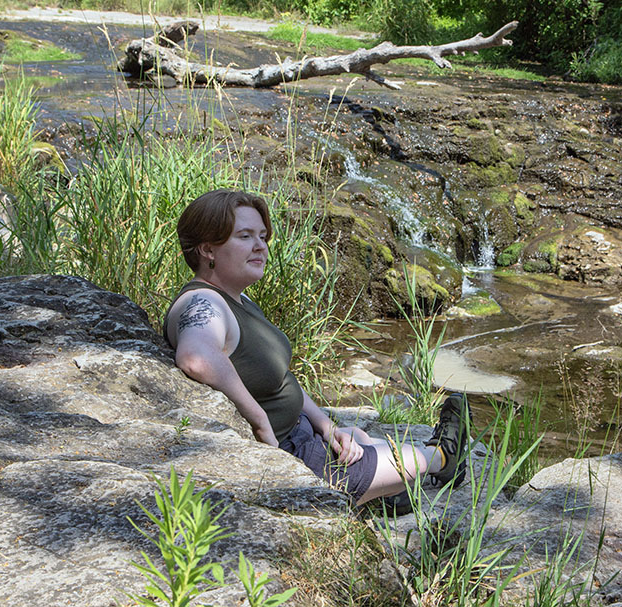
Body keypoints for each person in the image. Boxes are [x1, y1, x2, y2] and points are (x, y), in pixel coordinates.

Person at [163, 189, 470, 505]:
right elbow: (196, 357)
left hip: (305, 433)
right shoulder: (202, 302)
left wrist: (326, 425)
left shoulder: (238, 299)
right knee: (416, 458)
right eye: (244, 236)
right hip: (297, 456)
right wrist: (260, 422)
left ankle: (385, 490)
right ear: (207, 249)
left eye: (262, 236)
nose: (260, 246)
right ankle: (443, 460)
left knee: (361, 438)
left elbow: (279, 377)